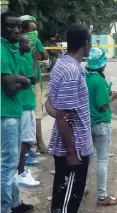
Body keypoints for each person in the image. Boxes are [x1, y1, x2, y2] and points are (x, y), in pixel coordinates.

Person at [45, 24, 93, 213]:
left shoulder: (61, 64)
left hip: (71, 144)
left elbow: (50, 104)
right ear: (86, 44)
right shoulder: (72, 72)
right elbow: (63, 117)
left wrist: (60, 115)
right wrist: (72, 153)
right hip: (74, 148)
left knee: (63, 197)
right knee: (67, 202)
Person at [1, 11, 35, 213]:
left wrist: (21, 80)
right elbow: (10, 86)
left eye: (17, 26)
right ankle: (5, 207)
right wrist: (25, 81)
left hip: (13, 111)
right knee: (7, 164)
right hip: (6, 114)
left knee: (12, 163)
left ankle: (14, 204)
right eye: (10, 26)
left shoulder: (11, 48)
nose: (15, 30)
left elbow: (20, 78)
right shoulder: (2, 50)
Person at [85, 47, 117, 206]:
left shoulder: (86, 76)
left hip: (88, 123)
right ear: (101, 64)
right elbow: (103, 105)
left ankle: (82, 187)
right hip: (101, 123)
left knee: (88, 158)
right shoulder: (98, 80)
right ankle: (101, 196)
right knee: (102, 160)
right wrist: (112, 96)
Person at [21, 16, 49, 155]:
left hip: (22, 81)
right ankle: (39, 144)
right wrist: (36, 57)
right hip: (33, 81)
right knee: (36, 113)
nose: (34, 33)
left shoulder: (17, 42)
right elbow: (45, 55)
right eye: (33, 29)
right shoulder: (34, 41)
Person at [17, 35, 40, 187]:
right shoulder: (23, 60)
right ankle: (20, 172)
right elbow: (34, 78)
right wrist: (35, 60)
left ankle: (20, 170)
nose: (30, 44)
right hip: (25, 106)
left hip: (23, 104)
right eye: (26, 42)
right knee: (24, 141)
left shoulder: (19, 59)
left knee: (22, 141)